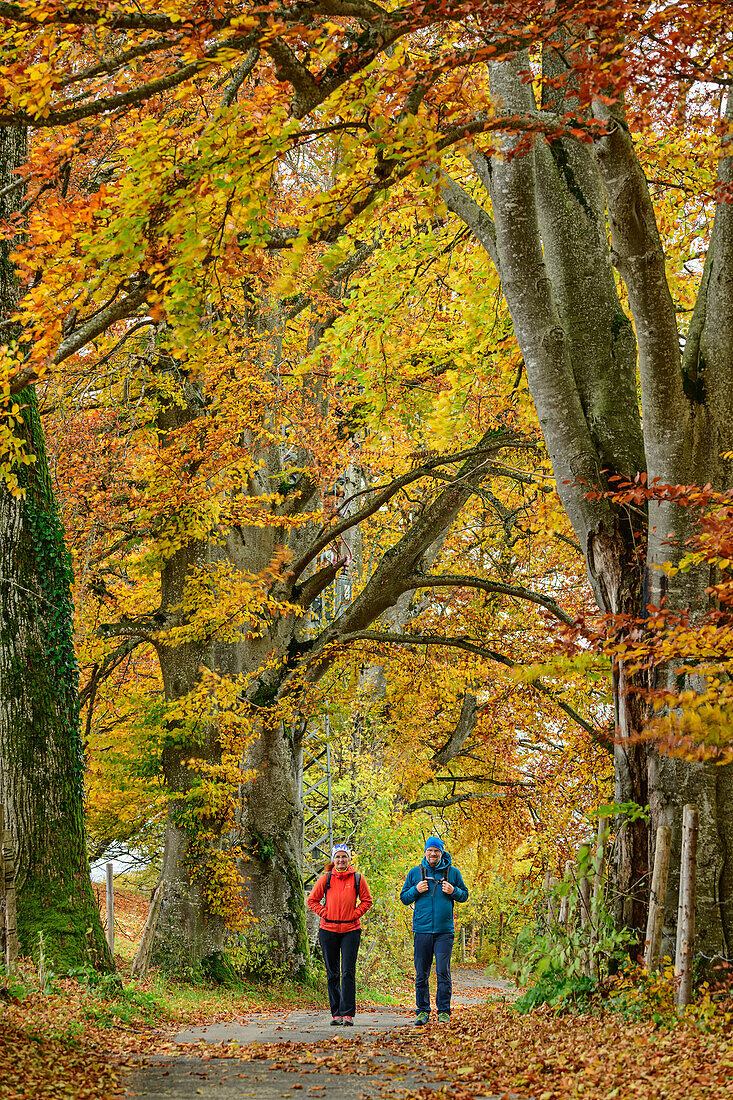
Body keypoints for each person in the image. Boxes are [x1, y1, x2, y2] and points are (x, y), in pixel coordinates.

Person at [400, 836, 469, 1025]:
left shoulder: (452, 873)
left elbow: (465, 895)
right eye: (430, 850)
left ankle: (444, 1011)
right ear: (425, 852)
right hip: (421, 930)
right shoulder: (415, 873)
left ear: (441, 853)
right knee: (421, 973)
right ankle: (422, 1011)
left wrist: (453, 890)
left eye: (436, 851)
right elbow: (404, 898)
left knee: (443, 972)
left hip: (444, 932)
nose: (433, 854)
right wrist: (415, 890)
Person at [307, 843, 373, 1026]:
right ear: (333, 859)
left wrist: (354, 914)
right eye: (338, 857)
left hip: (351, 931)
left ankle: (348, 1014)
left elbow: (367, 901)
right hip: (328, 930)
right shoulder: (325, 879)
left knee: (348, 972)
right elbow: (312, 900)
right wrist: (326, 913)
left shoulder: (358, 878)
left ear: (349, 859)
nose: (341, 860)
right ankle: (336, 1013)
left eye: (344, 857)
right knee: (332, 973)